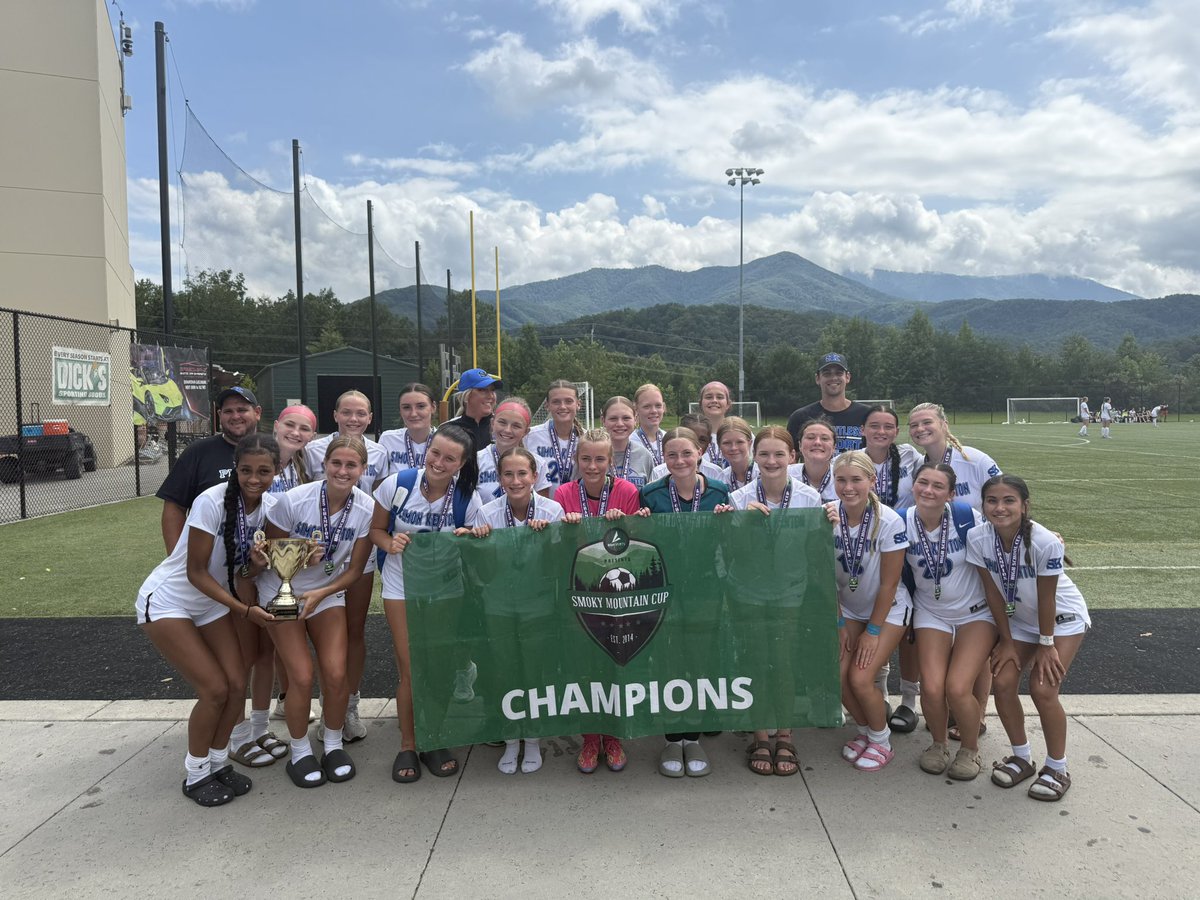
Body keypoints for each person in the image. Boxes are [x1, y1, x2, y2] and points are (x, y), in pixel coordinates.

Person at [137, 433, 279, 806]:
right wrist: (245, 611)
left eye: (263, 471)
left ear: (276, 472)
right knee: (215, 690)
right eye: (246, 470)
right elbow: (196, 571)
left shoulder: (270, 506)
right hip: (170, 600)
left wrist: (253, 568)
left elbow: (238, 570)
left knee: (236, 685)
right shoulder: (211, 500)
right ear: (236, 468)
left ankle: (218, 764)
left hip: (211, 602)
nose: (254, 478)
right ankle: (196, 772)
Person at [258, 436, 375, 788]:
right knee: (302, 676)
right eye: (336, 463)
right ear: (324, 464)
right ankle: (299, 751)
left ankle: (334, 744)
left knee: (337, 674)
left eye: (351, 465)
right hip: (281, 592)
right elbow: (270, 556)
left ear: (362, 470)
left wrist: (322, 591)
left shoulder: (367, 509)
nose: (343, 471)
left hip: (325, 594)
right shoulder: (294, 501)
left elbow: (354, 571)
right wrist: (295, 562)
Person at [370, 425, 483, 784]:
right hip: (402, 586)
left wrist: (472, 537)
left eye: (450, 458)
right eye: (435, 452)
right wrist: (389, 544)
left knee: (437, 667)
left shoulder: (468, 497)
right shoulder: (398, 484)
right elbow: (375, 530)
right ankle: (408, 743)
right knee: (411, 667)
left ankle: (434, 738)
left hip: (446, 590)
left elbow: (479, 546)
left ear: (462, 464)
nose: (439, 461)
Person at [966, 475, 1090, 801]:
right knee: (1003, 681)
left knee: (1042, 688)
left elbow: (1047, 598)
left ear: (1024, 505)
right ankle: (1021, 757)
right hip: (1019, 622)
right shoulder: (977, 538)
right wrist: (1006, 641)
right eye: (992, 500)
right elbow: (993, 594)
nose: (1000, 507)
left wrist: (1046, 645)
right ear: (983, 505)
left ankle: (1057, 767)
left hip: (1060, 620)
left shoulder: (1044, 541)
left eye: (1009, 500)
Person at [726, 426, 822, 776]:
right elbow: (733, 553)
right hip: (747, 594)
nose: (771, 461)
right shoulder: (738, 499)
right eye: (764, 454)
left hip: (790, 594)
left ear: (792, 457)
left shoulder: (810, 499)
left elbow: (816, 553)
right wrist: (741, 524)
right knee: (755, 661)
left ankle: (785, 733)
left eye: (779, 454)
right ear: (755, 457)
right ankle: (760, 735)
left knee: (782, 662)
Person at [555, 428, 649, 774]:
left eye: (599, 459)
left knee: (616, 664)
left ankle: (614, 735)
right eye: (585, 459)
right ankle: (590, 737)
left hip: (618, 597)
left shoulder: (626, 491)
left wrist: (624, 524)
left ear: (611, 461)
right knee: (585, 666)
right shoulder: (563, 493)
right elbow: (555, 545)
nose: (592, 466)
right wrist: (567, 527)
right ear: (577, 460)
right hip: (580, 593)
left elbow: (637, 541)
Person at [465, 447, 564, 774]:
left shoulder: (552, 510)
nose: (516, 480)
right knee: (504, 670)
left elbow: (558, 568)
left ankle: (533, 737)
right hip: (499, 606)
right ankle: (510, 738)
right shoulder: (488, 514)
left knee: (534, 671)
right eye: (508, 474)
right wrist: (481, 542)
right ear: (499, 477)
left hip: (538, 606)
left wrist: (548, 541)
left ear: (535, 476)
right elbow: (484, 571)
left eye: (523, 473)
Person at [640, 427, 732, 778]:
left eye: (686, 453)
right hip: (663, 589)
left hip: (706, 590)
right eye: (672, 455)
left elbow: (734, 537)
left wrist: (731, 520)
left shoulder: (720, 493)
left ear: (700, 454)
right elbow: (641, 541)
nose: (679, 461)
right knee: (667, 661)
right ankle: (671, 737)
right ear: (663, 458)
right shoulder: (650, 494)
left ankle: (692, 736)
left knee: (699, 659)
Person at [305, 390, 388, 744]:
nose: (354, 419)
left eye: (361, 414)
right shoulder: (312, 449)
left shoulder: (380, 451)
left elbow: (383, 498)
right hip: (316, 551)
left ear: (370, 418)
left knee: (354, 629)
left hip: (358, 547)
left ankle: (348, 705)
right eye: (347, 413)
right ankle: (324, 702)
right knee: (312, 631)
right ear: (335, 414)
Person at [902, 463, 994, 780]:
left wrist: (1044, 534)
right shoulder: (902, 521)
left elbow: (1005, 532)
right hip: (931, 610)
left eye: (938, 486)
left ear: (951, 494)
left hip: (975, 611)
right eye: (922, 483)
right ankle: (938, 744)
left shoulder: (967, 517)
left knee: (956, 688)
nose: (928, 490)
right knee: (930, 686)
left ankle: (969, 749)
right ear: (913, 486)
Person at [825, 451, 910, 772]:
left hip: (886, 611)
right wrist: (839, 622)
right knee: (838, 676)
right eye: (841, 480)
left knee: (860, 679)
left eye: (856, 479)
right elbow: (824, 578)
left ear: (872, 481)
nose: (848, 487)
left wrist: (873, 634)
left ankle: (881, 741)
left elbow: (889, 585)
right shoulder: (828, 516)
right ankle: (865, 732)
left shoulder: (888, 520)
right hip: (847, 609)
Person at [857, 404, 923, 732]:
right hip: (867, 555)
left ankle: (910, 700)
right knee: (876, 621)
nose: (881, 432)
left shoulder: (911, 457)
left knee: (909, 631)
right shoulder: (853, 461)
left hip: (906, 551)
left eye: (888, 426)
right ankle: (879, 693)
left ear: (897, 431)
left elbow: (937, 486)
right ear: (862, 430)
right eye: (874, 426)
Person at [157, 386, 262, 552]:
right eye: (228, 411)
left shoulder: (270, 452)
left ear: (257, 412)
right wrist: (177, 556)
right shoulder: (198, 451)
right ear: (220, 415)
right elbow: (174, 506)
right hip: (207, 560)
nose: (235, 416)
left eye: (242, 410)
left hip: (260, 560)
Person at [266, 405, 319, 726]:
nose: (295, 433)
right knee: (262, 647)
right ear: (276, 425)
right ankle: (253, 723)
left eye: (304, 429)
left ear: (312, 437)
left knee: (288, 637)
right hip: (258, 561)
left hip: (291, 564)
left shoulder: (304, 466)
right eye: (290, 425)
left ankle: (286, 699)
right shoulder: (258, 457)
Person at [907, 403, 1001, 511]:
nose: (919, 428)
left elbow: (1005, 493)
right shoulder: (917, 466)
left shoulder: (975, 459)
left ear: (944, 425)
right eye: (914, 425)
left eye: (927, 422)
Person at [786, 353, 870, 453]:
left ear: (847, 377)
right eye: (827, 374)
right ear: (817, 378)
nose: (833, 378)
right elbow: (791, 458)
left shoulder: (867, 415)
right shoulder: (800, 417)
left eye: (839, 373)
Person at [477, 397, 549, 505]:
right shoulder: (476, 460)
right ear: (492, 424)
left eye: (516, 426)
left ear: (526, 431)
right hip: (485, 522)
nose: (507, 430)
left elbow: (543, 507)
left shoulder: (538, 463)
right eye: (502, 422)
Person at [524, 380, 584, 495]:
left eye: (568, 401)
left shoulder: (587, 439)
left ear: (578, 404)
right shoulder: (530, 436)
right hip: (541, 508)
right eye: (556, 402)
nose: (562, 406)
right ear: (547, 405)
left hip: (577, 508)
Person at [379, 383, 438, 473]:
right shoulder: (388, 439)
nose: (413, 414)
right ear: (400, 410)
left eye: (421, 406)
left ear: (433, 407)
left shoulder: (445, 441)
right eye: (406, 407)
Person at [650, 414, 725, 483]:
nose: (696, 444)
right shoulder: (659, 472)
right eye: (690, 438)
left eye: (702, 440)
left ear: (709, 442)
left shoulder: (716, 472)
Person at [601, 395, 656, 490]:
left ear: (635, 419)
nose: (620, 424)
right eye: (613, 418)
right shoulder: (592, 455)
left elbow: (651, 494)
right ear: (603, 420)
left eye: (626, 418)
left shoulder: (644, 456)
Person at [443, 368, 502, 452]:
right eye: (482, 390)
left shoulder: (503, 427)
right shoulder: (449, 429)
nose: (491, 396)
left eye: (492, 390)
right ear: (466, 395)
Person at [789, 418, 839, 502]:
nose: (817, 442)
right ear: (800, 445)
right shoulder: (786, 475)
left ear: (834, 447)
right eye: (810, 437)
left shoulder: (844, 477)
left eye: (825, 438)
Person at [698, 380, 733, 466]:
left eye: (720, 397)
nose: (714, 400)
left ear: (728, 404)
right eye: (709, 397)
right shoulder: (691, 435)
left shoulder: (741, 434)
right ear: (700, 403)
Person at [717, 417, 756, 491]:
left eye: (740, 442)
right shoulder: (721, 479)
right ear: (719, 446)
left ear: (749, 443)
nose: (733, 448)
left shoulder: (762, 475)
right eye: (727, 443)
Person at [633, 383, 667, 467]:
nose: (654, 411)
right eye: (647, 406)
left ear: (663, 408)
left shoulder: (669, 438)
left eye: (658, 406)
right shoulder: (630, 442)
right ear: (636, 409)